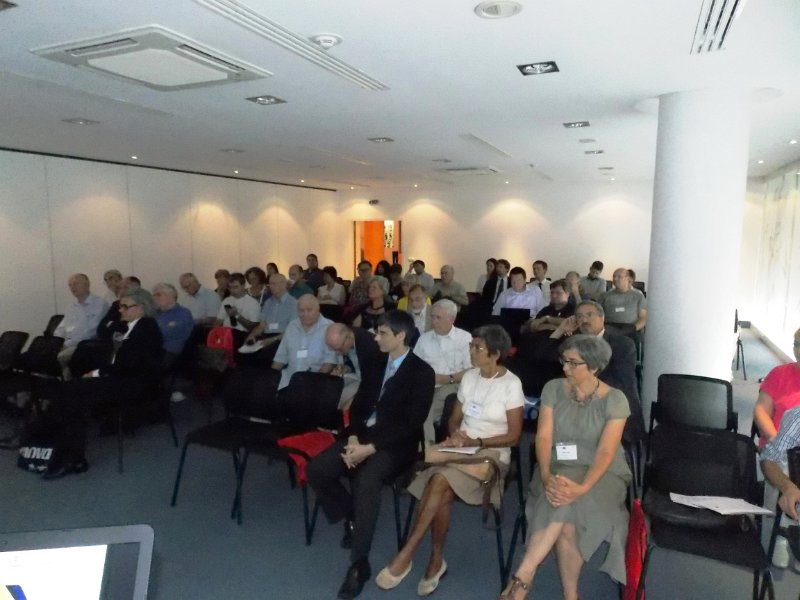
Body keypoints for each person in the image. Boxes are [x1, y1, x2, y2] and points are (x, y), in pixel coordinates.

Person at [376, 324, 524, 596]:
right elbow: (454, 419)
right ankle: (434, 560)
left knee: (438, 479)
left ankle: (408, 553)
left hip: (491, 455)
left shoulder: (511, 384)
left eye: (478, 348)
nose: (472, 351)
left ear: (495, 354)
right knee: (440, 484)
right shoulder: (470, 378)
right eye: (471, 346)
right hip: (461, 450)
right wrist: (456, 435)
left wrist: (477, 443)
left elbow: (514, 436)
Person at [307, 311, 435, 600]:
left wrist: (370, 448)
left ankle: (359, 564)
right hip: (362, 436)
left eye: (382, 333)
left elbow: (410, 423)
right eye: (376, 332)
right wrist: (354, 437)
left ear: (401, 336)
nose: (375, 338)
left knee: (366, 480)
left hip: (396, 445)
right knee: (317, 470)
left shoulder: (422, 372)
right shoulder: (377, 361)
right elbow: (360, 404)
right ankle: (352, 515)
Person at [500, 334, 630, 599]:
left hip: (602, 474)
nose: (565, 367)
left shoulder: (615, 400)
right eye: (564, 360)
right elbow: (544, 437)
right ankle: (571, 596)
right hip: (557, 467)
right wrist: (546, 475)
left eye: (572, 363)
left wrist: (582, 488)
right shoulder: (553, 389)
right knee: (567, 520)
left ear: (594, 367)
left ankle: (522, 577)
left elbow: (606, 452)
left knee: (565, 504)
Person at [43, 288, 164, 479]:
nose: (120, 310)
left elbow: (128, 364)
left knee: (71, 395)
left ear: (141, 308)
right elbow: (110, 342)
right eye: (120, 306)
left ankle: (71, 456)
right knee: (66, 392)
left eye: (125, 307)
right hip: (120, 376)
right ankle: (61, 449)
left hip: (133, 383)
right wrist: (99, 371)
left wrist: (97, 373)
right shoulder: (129, 326)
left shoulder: (147, 329)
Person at [413, 299, 472, 444]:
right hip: (426, 385)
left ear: (451, 319)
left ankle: (428, 447)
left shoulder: (464, 338)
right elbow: (413, 367)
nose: (434, 321)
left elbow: (472, 371)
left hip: (453, 384)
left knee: (425, 409)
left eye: (438, 317)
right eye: (432, 317)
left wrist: (447, 378)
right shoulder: (424, 339)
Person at [760, 405, 800, 569]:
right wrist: (787, 487)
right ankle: (781, 536)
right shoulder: (798, 417)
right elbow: (769, 459)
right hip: (794, 493)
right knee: (784, 466)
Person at [271, 294, 336, 389]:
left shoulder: (329, 328)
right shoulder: (292, 326)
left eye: (309, 310)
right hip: (288, 378)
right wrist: (270, 379)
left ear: (318, 310)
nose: (305, 314)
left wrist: (314, 384)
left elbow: (330, 362)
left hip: (315, 380)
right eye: (301, 310)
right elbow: (280, 357)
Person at [53, 273, 109, 376]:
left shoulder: (99, 304)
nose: (72, 287)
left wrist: (66, 344)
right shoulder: (71, 307)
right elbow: (61, 328)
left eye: (76, 283)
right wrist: (56, 342)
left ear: (87, 285)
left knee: (60, 357)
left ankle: (68, 382)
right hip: (67, 344)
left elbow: (92, 331)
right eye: (70, 285)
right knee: (43, 354)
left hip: (85, 345)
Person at [753, 327, 800, 447]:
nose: (798, 351)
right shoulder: (779, 374)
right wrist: (777, 442)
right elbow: (761, 411)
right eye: (796, 344)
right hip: (775, 445)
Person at [325, 322, 387, 410]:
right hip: (358, 376)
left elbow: (372, 384)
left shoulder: (369, 348)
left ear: (348, 337)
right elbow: (354, 362)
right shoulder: (350, 337)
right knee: (328, 390)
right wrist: (346, 368)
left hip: (371, 384)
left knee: (336, 399)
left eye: (339, 349)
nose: (337, 353)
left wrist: (352, 401)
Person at [152, 282, 194, 366]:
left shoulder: (183, 313)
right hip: (155, 350)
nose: (154, 298)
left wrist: (155, 333)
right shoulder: (155, 314)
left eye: (158, 294)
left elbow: (174, 333)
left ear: (171, 296)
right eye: (154, 295)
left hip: (171, 352)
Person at [601, 268, 647, 337]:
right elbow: (599, 315)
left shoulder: (638, 296)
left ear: (628, 279)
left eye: (619, 277)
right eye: (614, 276)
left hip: (631, 329)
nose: (615, 279)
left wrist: (632, 329)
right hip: (610, 328)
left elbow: (643, 318)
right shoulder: (605, 296)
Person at [216, 272, 261, 342]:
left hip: (242, 335)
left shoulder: (252, 303)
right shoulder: (227, 301)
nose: (232, 290)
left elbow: (252, 327)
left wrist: (237, 315)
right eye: (230, 287)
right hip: (226, 334)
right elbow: (219, 321)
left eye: (235, 287)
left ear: (243, 286)